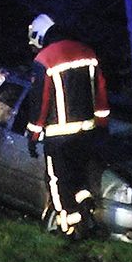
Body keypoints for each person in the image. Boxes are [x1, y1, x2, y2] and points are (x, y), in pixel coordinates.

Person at [23, 13, 110, 240]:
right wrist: (101, 124)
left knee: (58, 181)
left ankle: (68, 228)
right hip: (87, 133)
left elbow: (40, 100)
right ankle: (86, 206)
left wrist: (33, 133)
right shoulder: (87, 53)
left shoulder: (45, 59)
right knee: (80, 178)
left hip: (58, 135)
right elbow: (100, 91)